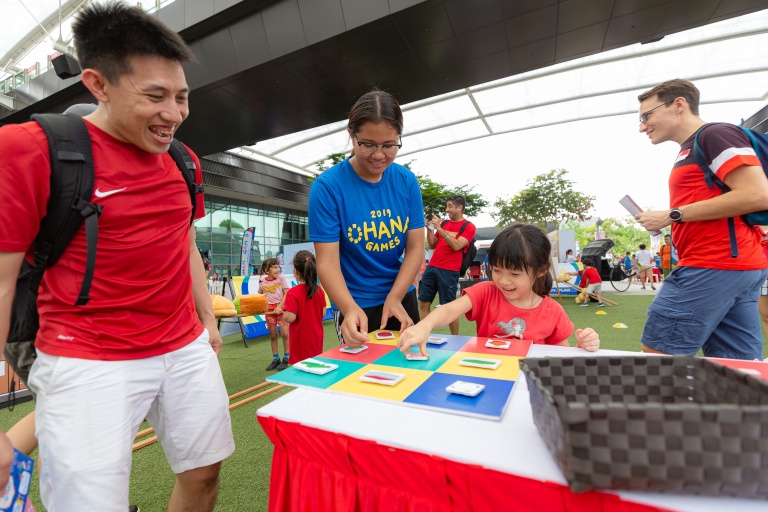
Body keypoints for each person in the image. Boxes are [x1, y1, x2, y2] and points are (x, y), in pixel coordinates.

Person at [0, 4, 235, 510]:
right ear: (97, 84)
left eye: (181, 96)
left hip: (183, 348)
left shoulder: (182, 159)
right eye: (154, 96)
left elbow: (184, 242)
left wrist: (205, 321)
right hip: (85, 357)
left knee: (204, 476)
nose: (173, 114)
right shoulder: (28, 150)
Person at [635, 78, 768, 359]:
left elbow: (758, 194)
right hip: (734, 264)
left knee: (658, 355)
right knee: (734, 365)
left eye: (647, 115)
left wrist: (671, 216)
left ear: (679, 105)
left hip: (713, 264)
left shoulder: (714, 134)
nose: (642, 125)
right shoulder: (693, 146)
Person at [309, 90, 425, 347]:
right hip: (354, 302)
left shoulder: (406, 181)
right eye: (368, 144)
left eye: (389, 145)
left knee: (411, 371)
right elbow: (326, 262)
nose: (379, 155)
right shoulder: (327, 187)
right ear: (351, 135)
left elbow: (416, 247)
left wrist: (395, 298)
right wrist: (348, 308)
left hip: (401, 296)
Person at [399, 223, 600, 356]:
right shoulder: (486, 291)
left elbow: (561, 354)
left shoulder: (552, 311)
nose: (503, 281)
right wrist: (424, 325)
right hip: (488, 377)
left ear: (540, 271)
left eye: (514, 274)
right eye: (496, 270)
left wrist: (581, 348)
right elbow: (449, 310)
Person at [419, 196, 476, 335]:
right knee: (424, 303)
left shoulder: (468, 226)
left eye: (450, 206)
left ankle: (455, 340)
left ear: (459, 207)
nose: (447, 209)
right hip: (432, 267)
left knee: (449, 307)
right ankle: (424, 335)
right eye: (447, 206)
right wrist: (430, 229)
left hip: (449, 271)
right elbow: (432, 245)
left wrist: (439, 227)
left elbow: (457, 246)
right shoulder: (444, 224)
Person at [282, 250, 326, 364]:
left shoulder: (293, 292)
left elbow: (289, 318)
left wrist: (283, 313)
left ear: (296, 272)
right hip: (316, 337)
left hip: (301, 339)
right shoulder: (319, 290)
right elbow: (323, 313)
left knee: (301, 369)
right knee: (315, 365)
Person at [259, 258, 291, 370]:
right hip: (269, 311)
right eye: (275, 267)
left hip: (282, 310)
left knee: (285, 333)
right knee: (273, 335)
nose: (278, 269)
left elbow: (287, 293)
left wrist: (280, 306)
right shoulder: (262, 282)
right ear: (267, 271)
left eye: (278, 267)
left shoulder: (281, 279)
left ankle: (287, 357)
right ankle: (275, 358)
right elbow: (260, 296)